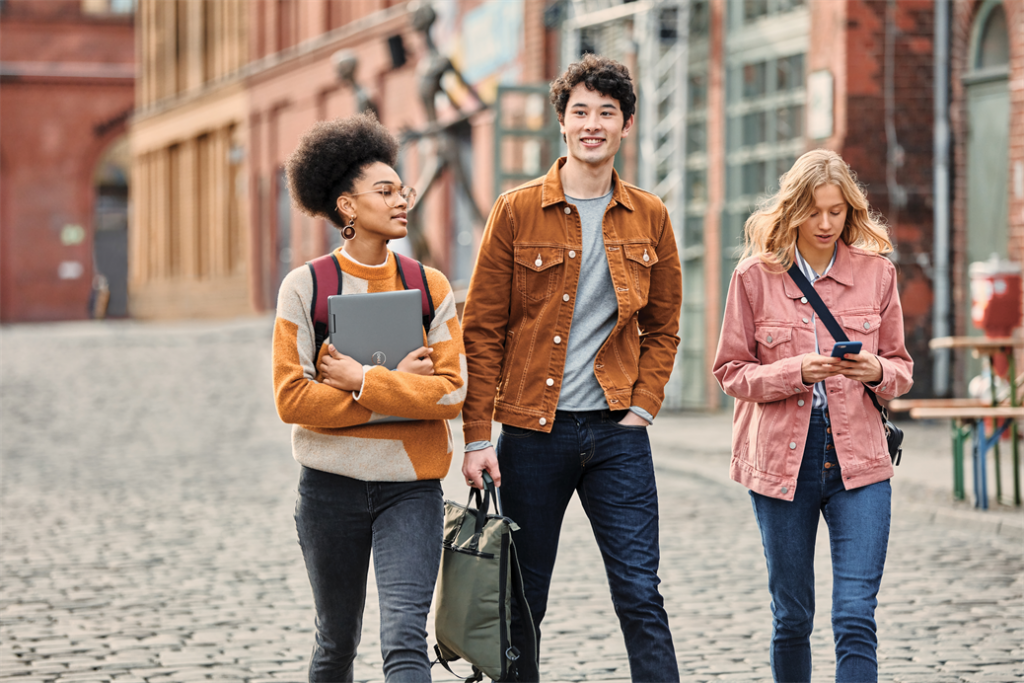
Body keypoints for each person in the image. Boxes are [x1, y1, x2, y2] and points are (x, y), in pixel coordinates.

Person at [460, 54, 683, 683]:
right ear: (562, 122)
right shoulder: (515, 211)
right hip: (533, 434)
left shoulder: (651, 216)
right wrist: (477, 437)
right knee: (522, 602)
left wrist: (643, 405)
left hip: (617, 435)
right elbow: (482, 331)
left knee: (641, 594)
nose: (593, 124)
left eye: (606, 113)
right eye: (580, 112)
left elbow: (663, 326)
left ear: (626, 125)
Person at [272, 113, 466, 683]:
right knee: (335, 643)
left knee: (405, 640)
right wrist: (403, 391)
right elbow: (292, 398)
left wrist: (361, 380)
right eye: (385, 191)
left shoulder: (431, 286)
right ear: (347, 207)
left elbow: (451, 392)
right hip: (329, 489)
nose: (402, 198)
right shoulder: (305, 287)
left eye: (402, 188)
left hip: (412, 489)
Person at [712, 149, 913, 681]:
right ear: (792, 209)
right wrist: (796, 371)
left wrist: (875, 371)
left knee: (854, 617)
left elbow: (901, 369)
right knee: (792, 616)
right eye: (813, 211)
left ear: (851, 210)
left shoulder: (877, 274)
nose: (825, 224)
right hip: (782, 461)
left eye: (837, 211)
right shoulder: (755, 276)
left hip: (860, 461)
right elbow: (730, 371)